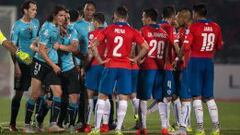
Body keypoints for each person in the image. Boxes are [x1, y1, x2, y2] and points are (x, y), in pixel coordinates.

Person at [88, 6, 149, 135]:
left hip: (110, 65)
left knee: (102, 96)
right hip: (126, 67)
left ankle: (97, 128)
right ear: (126, 17)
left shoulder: (108, 29)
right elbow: (145, 46)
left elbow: (93, 45)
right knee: (123, 98)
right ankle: (118, 129)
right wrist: (136, 59)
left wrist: (99, 60)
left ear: (115, 16)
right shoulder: (132, 31)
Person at [23, 5, 66, 133]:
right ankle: (26, 125)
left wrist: (62, 29)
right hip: (41, 64)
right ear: (54, 15)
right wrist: (53, 65)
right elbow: (41, 50)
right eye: (60, 15)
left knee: (58, 92)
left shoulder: (57, 27)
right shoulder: (47, 28)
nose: (63, 18)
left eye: (64, 15)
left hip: (52, 64)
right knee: (35, 95)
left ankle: (53, 124)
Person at [137, 8, 172, 135]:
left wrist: (138, 59)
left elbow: (141, 47)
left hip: (147, 68)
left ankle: (143, 128)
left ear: (148, 18)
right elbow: (167, 53)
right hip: (160, 69)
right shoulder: (164, 33)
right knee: (161, 99)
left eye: (143, 17)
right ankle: (164, 127)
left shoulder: (144, 30)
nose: (142, 19)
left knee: (143, 98)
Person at [189, 3, 223, 135]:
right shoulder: (216, 26)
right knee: (209, 96)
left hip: (196, 62)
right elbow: (219, 46)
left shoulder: (194, 26)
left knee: (196, 96)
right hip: (209, 61)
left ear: (196, 14)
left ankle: (200, 128)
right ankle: (216, 128)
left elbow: (187, 46)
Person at [8, 0, 39, 132]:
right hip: (22, 62)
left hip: (36, 61)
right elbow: (12, 47)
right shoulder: (17, 26)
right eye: (32, 9)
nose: (35, 12)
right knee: (19, 93)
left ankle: (35, 122)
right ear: (25, 10)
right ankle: (12, 124)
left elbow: (38, 40)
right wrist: (16, 66)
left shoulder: (36, 22)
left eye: (35, 10)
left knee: (38, 92)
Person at [53, 10, 80, 133]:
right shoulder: (53, 31)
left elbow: (74, 48)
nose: (66, 20)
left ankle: (71, 124)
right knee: (52, 98)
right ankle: (42, 120)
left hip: (70, 69)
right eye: (64, 17)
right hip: (56, 69)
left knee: (74, 97)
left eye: (68, 18)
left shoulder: (73, 31)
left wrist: (60, 47)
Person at [84, 12, 109, 133]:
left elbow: (90, 54)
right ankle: (105, 125)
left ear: (95, 22)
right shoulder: (109, 33)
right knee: (105, 96)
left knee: (89, 95)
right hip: (106, 66)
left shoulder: (91, 34)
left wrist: (84, 67)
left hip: (94, 66)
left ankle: (88, 124)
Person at [74, 1, 95, 131]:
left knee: (101, 94)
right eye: (87, 9)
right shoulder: (77, 25)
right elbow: (75, 45)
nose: (89, 12)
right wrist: (77, 64)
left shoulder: (100, 24)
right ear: (84, 10)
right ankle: (82, 121)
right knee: (83, 94)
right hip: (83, 63)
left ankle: (107, 121)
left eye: (92, 10)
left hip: (97, 63)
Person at [159, 6, 179, 133]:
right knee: (169, 96)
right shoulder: (169, 28)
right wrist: (180, 57)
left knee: (162, 97)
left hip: (154, 66)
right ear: (172, 16)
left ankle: (142, 124)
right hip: (166, 67)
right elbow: (173, 44)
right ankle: (167, 126)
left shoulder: (156, 26)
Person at [174, 8, 193, 135]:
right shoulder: (182, 30)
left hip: (188, 66)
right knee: (181, 97)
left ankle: (183, 128)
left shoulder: (192, 30)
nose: (176, 20)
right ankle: (184, 125)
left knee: (187, 98)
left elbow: (183, 49)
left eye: (178, 17)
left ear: (184, 18)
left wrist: (176, 57)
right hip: (183, 66)